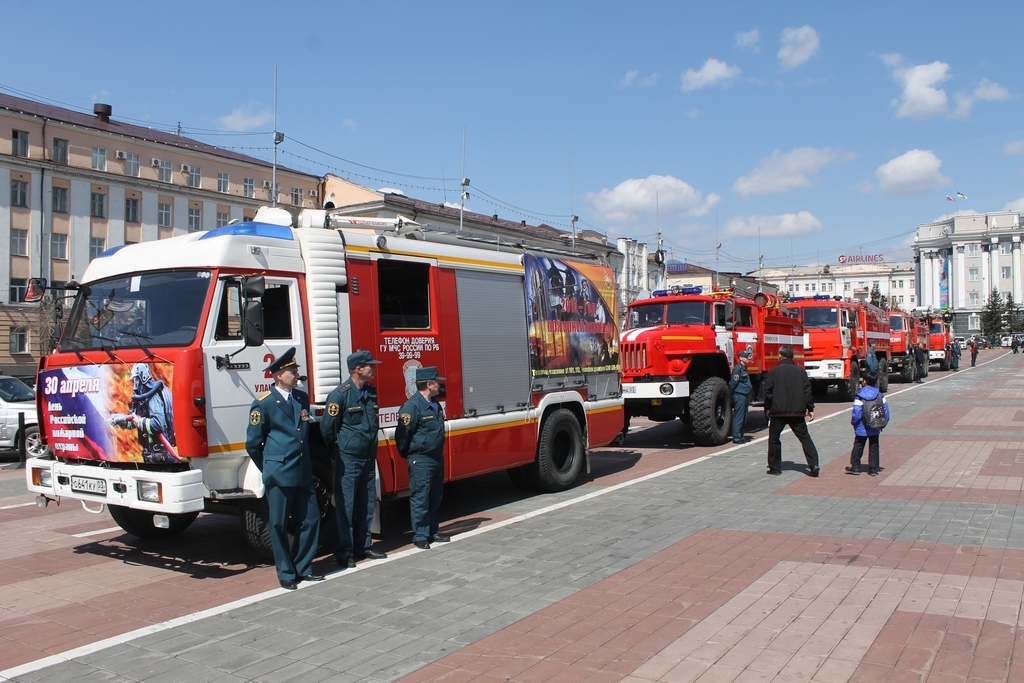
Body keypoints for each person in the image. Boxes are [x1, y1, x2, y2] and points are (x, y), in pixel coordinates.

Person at [245, 348, 323, 590]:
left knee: (310, 519)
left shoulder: (300, 398)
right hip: (279, 473)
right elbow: (253, 444)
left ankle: (303, 567)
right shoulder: (264, 404)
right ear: (278, 375)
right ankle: (286, 572)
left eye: (296, 370)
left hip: (302, 471)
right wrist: (270, 465)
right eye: (292, 371)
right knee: (278, 524)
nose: (296, 374)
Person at [321, 350, 387, 569]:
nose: (374, 368)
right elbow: (328, 429)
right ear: (358, 369)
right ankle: (344, 552)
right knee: (346, 507)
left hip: (368, 457)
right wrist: (340, 449)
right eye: (370, 365)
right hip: (348, 459)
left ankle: (363, 546)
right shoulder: (340, 394)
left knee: (366, 503)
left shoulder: (371, 392)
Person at [395, 367, 448, 549]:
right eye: (437, 382)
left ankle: (432, 531)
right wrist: (410, 454)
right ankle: (420, 535)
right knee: (420, 498)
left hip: (435, 457)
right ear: (428, 384)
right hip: (421, 459)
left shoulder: (434, 404)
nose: (439, 385)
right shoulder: (411, 407)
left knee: (435, 496)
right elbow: (403, 436)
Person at [763, 345, 819, 477]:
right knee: (805, 438)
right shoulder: (800, 372)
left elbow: (768, 393)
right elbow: (807, 392)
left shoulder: (773, 372)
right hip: (797, 411)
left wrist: (768, 409)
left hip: (778, 411)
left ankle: (775, 467)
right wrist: (810, 408)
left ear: (780, 355)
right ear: (792, 356)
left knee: (774, 439)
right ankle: (814, 464)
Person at [846, 371, 890, 476]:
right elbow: (886, 410)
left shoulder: (860, 395)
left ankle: (855, 466)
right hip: (875, 424)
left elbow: (856, 412)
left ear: (864, 381)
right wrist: (883, 422)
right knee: (874, 445)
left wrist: (854, 423)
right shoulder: (880, 395)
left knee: (859, 444)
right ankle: (873, 468)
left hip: (862, 425)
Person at [729, 349, 753, 444]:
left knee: (744, 417)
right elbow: (733, 384)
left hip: (744, 395)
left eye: (748, 356)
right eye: (746, 357)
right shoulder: (738, 369)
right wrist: (732, 396)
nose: (748, 358)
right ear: (740, 358)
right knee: (739, 416)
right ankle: (737, 437)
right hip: (739, 395)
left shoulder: (743, 368)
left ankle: (741, 435)